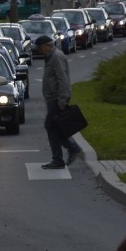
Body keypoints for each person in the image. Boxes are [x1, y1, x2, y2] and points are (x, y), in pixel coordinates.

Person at [37, 34, 82, 169]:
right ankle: (64, 153)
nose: (39, 50)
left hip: (57, 98)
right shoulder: (51, 56)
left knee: (50, 125)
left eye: (40, 47)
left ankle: (64, 153)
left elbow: (62, 79)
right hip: (54, 98)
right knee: (55, 127)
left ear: (47, 46)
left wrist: (62, 99)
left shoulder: (56, 57)